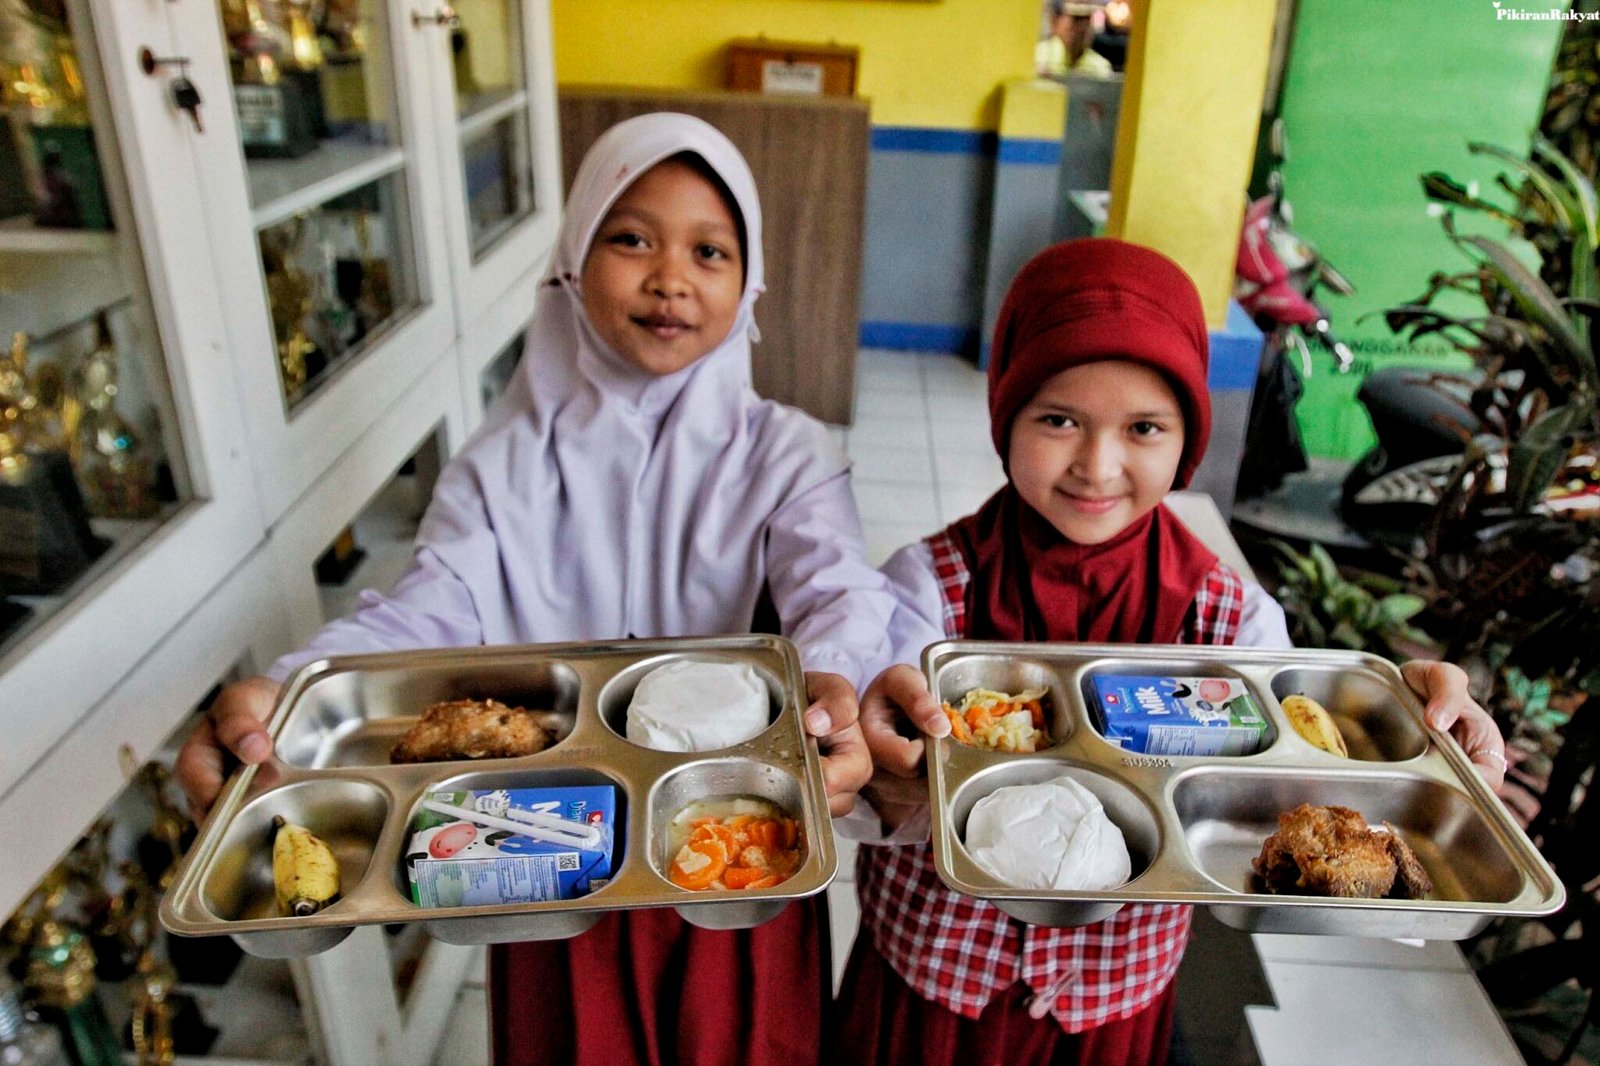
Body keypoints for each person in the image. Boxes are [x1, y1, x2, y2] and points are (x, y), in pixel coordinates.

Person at [176, 112, 896, 1066]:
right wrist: (293, 687)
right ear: (568, 261)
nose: (670, 276)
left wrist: (839, 681)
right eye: (630, 237)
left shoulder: (788, 456)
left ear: (750, 282)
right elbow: (430, 608)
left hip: (731, 853)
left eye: (710, 251)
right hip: (537, 850)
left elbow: (836, 591)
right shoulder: (502, 466)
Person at [836, 239, 1509, 1065]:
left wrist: (1418, 736)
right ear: (1004, 419)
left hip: (1111, 995)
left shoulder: (1228, 614)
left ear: (1186, 439)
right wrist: (875, 764)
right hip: (935, 982)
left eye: (1144, 428)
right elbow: (870, 781)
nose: (1097, 464)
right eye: (1058, 420)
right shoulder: (928, 585)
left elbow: (1312, 780)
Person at [1035, 1, 1115, 80]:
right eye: (1076, 19)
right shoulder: (1038, 57)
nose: (1083, 27)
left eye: (1087, 19)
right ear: (1054, 21)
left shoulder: (1100, 65)